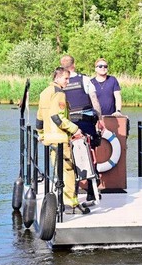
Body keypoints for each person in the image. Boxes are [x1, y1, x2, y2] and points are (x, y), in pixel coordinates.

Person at [36, 67, 90, 214]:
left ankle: (61, 201)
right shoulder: (59, 93)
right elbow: (57, 117)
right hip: (60, 138)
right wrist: (75, 129)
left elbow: (39, 117)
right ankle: (70, 204)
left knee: (57, 170)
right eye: (66, 79)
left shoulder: (44, 92)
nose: (67, 82)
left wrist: (41, 134)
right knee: (69, 170)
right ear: (57, 78)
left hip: (49, 139)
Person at [60, 55, 104, 203]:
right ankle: (92, 191)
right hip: (86, 123)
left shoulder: (59, 82)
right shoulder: (84, 80)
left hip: (68, 125)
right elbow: (94, 101)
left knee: (70, 157)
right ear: (74, 65)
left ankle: (72, 192)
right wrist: (100, 119)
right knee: (91, 155)